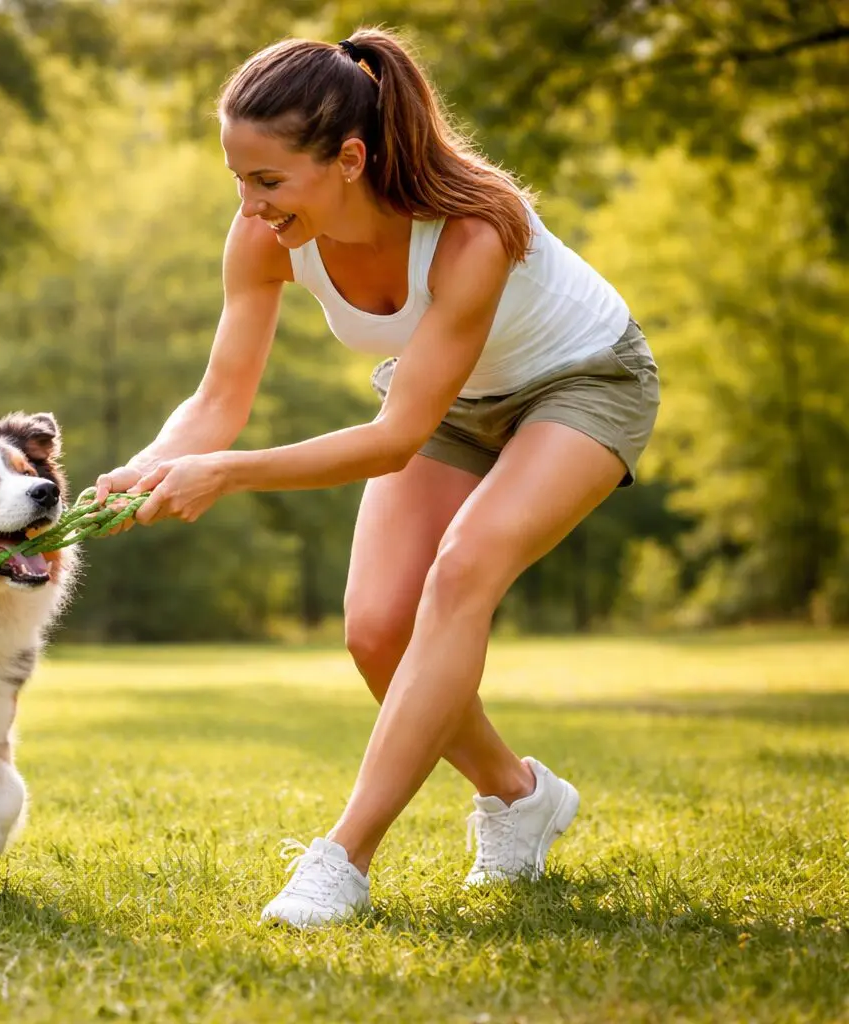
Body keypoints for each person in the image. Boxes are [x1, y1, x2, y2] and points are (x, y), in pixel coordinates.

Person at [92, 28, 660, 928]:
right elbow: (218, 398)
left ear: (349, 160)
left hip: (582, 380)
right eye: (237, 178)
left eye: (269, 180)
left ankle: (343, 860)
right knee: (377, 632)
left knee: (465, 567)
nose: (250, 204)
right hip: (449, 398)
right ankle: (519, 796)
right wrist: (151, 466)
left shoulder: (472, 231)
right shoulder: (263, 237)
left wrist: (226, 475)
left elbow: (395, 439)